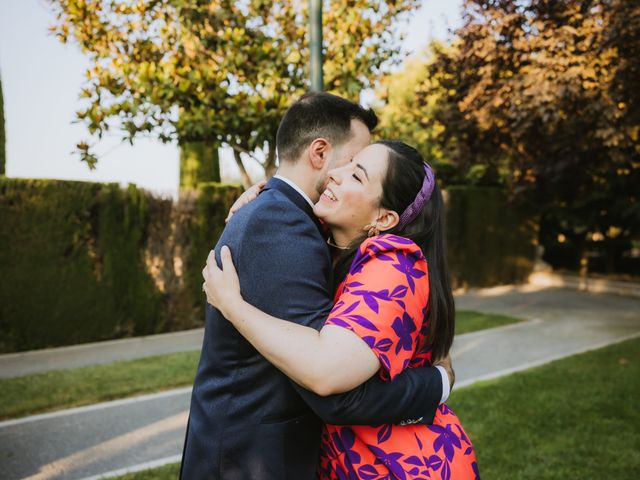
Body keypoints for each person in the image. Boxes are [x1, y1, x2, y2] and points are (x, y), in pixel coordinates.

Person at [180, 92, 454, 479]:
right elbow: (331, 389)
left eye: (358, 172)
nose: (340, 175)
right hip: (248, 461)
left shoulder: (298, 223)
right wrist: (436, 382)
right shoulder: (280, 223)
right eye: (351, 162)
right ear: (320, 153)